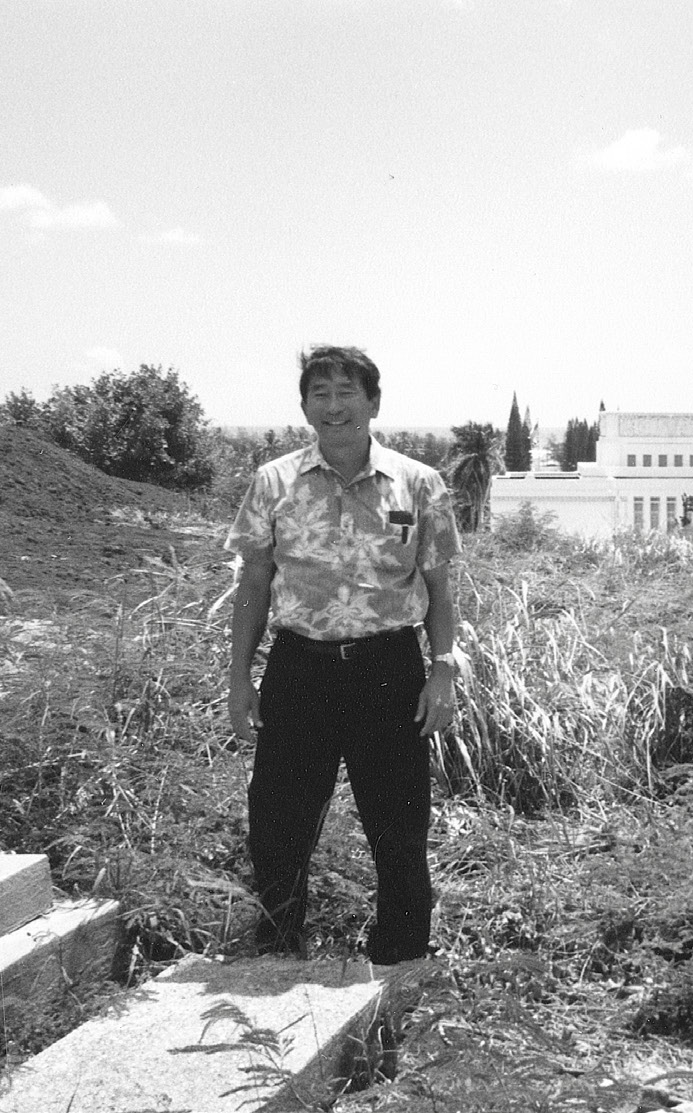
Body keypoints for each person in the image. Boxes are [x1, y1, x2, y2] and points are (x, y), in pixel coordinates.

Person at [225, 345, 462, 963]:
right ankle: (277, 955)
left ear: (373, 402)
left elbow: (440, 587)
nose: (334, 406)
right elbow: (252, 584)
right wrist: (239, 680)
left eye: (346, 392)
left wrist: (442, 671)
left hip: (389, 669)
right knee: (279, 822)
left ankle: (403, 961)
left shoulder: (419, 484)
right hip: (299, 668)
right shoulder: (273, 482)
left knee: (399, 824)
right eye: (320, 394)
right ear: (305, 406)